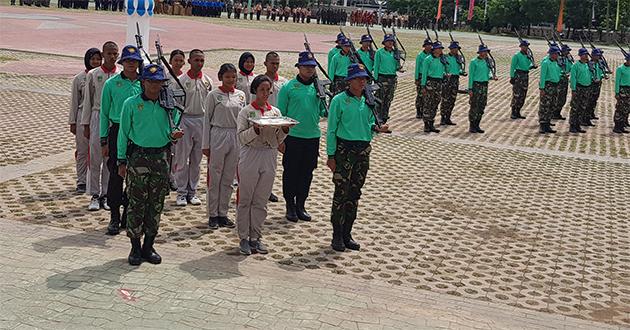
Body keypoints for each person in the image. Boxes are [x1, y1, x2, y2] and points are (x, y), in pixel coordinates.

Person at [117, 64, 184, 266]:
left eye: (159, 82)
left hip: (161, 157)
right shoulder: (131, 104)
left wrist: (174, 136)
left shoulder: (168, 105)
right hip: (138, 156)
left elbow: (172, 129)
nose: (155, 86)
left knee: (156, 204)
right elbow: (123, 134)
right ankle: (135, 246)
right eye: (151, 81)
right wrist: (121, 160)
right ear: (143, 82)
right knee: (136, 203)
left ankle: (149, 245)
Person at [326, 63, 390, 252]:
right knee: (341, 194)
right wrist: (331, 155)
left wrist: (377, 129)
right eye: (358, 78)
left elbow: (369, 124)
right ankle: (336, 235)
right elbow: (331, 130)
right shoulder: (339, 100)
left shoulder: (368, 100)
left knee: (354, 194)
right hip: (344, 150)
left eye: (364, 79)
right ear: (350, 80)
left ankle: (348, 233)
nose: (362, 82)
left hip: (363, 151)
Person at [236, 75, 291, 255]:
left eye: (268, 90)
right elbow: (241, 138)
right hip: (250, 154)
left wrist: (284, 131)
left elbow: (277, 139)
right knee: (246, 198)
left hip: (269, 154)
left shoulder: (275, 112)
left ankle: (256, 236)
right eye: (262, 90)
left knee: (261, 198)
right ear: (255, 91)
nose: (265, 94)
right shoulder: (246, 112)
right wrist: (255, 130)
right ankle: (243, 237)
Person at [277, 51, 326, 222]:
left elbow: (322, 111)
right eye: (306, 66)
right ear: (299, 67)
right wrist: (280, 140)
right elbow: (280, 115)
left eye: (312, 67)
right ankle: (290, 205)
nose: (309, 70)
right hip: (293, 137)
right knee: (291, 172)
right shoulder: (288, 87)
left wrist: (325, 99)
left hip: (312, 136)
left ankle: (301, 205)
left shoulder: (318, 87)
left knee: (307, 173)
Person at [100, 45, 143, 235]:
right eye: (128, 61)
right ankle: (114, 216)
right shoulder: (111, 84)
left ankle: (128, 213)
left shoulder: (145, 83)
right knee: (116, 174)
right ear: (122, 62)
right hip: (117, 131)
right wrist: (103, 140)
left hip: (139, 132)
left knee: (136, 176)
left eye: (135, 61)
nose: (131, 64)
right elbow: (103, 113)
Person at [202, 64, 244, 229]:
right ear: (221, 77)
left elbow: (243, 119)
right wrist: (206, 144)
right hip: (218, 134)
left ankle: (223, 213)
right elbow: (206, 120)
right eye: (227, 77)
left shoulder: (240, 95)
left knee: (229, 177)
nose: (231, 80)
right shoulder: (213, 95)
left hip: (235, 135)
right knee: (215, 176)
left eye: (233, 77)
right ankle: (212, 214)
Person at [81, 41, 119, 212]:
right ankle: (94, 194)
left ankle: (106, 194)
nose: (112, 57)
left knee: (110, 159)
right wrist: (86, 124)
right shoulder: (94, 74)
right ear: (103, 55)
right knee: (95, 157)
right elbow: (87, 101)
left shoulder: (121, 74)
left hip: (114, 119)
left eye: (115, 53)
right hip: (97, 115)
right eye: (109, 53)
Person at [174, 49, 213, 207]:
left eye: (202, 60)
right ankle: (181, 192)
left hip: (201, 121)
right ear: (189, 61)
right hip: (185, 119)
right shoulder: (180, 80)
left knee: (197, 160)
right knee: (182, 158)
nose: (199, 63)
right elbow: (176, 105)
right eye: (196, 60)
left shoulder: (207, 81)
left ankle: (192, 191)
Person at [69, 48, 101, 195]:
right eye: (92, 59)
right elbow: (74, 102)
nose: (95, 62)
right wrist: (73, 122)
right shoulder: (79, 78)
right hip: (82, 115)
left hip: (97, 116)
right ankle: (81, 180)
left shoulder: (102, 76)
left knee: (97, 151)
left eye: (98, 59)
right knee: (82, 151)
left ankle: (95, 181)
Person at [468, 44, 496, 133]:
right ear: (479, 52)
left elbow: (489, 73)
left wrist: (492, 77)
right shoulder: (474, 62)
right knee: (474, 106)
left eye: (486, 51)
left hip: (484, 85)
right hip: (476, 85)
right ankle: (472, 125)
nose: (485, 53)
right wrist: (470, 88)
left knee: (482, 105)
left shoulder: (488, 61)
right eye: (483, 51)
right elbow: (471, 76)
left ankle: (477, 124)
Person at [421, 41, 446, 133]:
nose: (440, 50)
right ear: (434, 50)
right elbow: (424, 73)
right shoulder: (428, 59)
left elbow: (442, 70)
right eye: (438, 48)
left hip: (439, 83)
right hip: (430, 82)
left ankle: (431, 123)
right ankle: (426, 124)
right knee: (428, 103)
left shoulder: (442, 59)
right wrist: (423, 86)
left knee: (435, 103)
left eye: (441, 48)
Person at [373, 34, 398, 124]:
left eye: (392, 41)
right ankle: (377, 116)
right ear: (384, 43)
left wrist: (399, 66)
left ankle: (384, 116)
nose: (390, 43)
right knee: (380, 98)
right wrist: (375, 79)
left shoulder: (395, 53)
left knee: (389, 98)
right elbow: (376, 66)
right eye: (388, 41)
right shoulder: (379, 52)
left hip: (392, 78)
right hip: (382, 77)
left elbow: (397, 66)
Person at [538, 46, 562, 134]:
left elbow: (558, 73)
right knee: (545, 106)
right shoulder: (546, 63)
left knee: (552, 105)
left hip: (555, 86)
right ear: (552, 54)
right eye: (556, 54)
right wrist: (542, 88)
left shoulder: (556, 63)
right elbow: (542, 76)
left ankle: (547, 124)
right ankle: (542, 124)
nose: (557, 55)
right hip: (548, 86)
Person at [440, 41, 464, 126]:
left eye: (457, 48)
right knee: (445, 99)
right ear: (450, 49)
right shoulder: (445, 57)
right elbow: (442, 68)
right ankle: (442, 117)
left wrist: (462, 72)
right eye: (454, 48)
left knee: (452, 99)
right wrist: (445, 74)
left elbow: (459, 68)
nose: (456, 50)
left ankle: (448, 117)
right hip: (447, 80)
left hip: (455, 80)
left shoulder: (459, 58)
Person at [509, 39, 535, 120]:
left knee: (523, 94)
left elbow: (528, 64)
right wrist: (512, 77)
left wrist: (532, 66)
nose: (526, 48)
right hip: (518, 75)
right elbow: (512, 67)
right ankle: (513, 112)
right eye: (524, 46)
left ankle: (518, 111)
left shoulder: (528, 55)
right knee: (517, 94)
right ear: (521, 47)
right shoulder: (516, 55)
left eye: (527, 46)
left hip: (525, 75)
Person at [569, 48, 592, 134]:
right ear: (580, 55)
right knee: (575, 107)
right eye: (584, 54)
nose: (586, 56)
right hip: (578, 88)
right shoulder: (575, 65)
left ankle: (578, 124)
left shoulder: (587, 65)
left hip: (586, 88)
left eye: (586, 54)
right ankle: (572, 125)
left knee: (582, 107)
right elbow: (573, 78)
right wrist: (573, 89)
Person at [553, 44, 573, 120]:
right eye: (567, 51)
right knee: (557, 96)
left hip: (565, 79)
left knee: (563, 97)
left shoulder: (568, 58)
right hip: (560, 79)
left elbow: (571, 66)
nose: (568, 52)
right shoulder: (559, 58)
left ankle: (558, 112)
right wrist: (562, 73)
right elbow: (557, 68)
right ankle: (554, 113)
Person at [415, 39, 432, 119]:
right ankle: (419, 110)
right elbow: (417, 68)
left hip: (429, 76)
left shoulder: (432, 55)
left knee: (427, 95)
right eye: (427, 45)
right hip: (421, 76)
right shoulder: (420, 55)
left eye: (430, 45)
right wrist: (416, 78)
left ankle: (424, 110)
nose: (429, 47)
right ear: (424, 46)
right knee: (420, 94)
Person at [613, 52, 630, 134]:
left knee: (626, 109)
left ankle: (622, 125)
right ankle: (617, 126)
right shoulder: (620, 69)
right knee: (620, 108)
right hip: (623, 89)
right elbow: (617, 82)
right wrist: (617, 92)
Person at [587, 48, 605, 124]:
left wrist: (602, 76)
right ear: (592, 56)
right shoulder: (590, 64)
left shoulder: (599, 63)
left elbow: (601, 71)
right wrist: (593, 79)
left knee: (594, 99)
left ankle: (591, 113)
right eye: (597, 55)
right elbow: (589, 74)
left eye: (599, 55)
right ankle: (586, 117)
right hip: (592, 84)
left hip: (598, 83)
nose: (598, 57)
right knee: (589, 100)